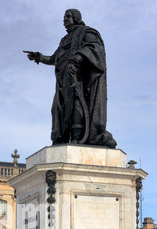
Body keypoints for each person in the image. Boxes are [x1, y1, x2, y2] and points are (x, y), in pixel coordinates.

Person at [25, 9, 116, 148]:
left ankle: (77, 137)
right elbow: (55, 58)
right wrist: (40, 57)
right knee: (56, 109)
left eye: (68, 17)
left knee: (76, 105)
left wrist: (77, 58)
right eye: (64, 17)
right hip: (63, 81)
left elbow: (94, 48)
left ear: (76, 18)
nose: (65, 19)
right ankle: (59, 137)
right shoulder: (64, 40)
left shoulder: (87, 32)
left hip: (79, 79)